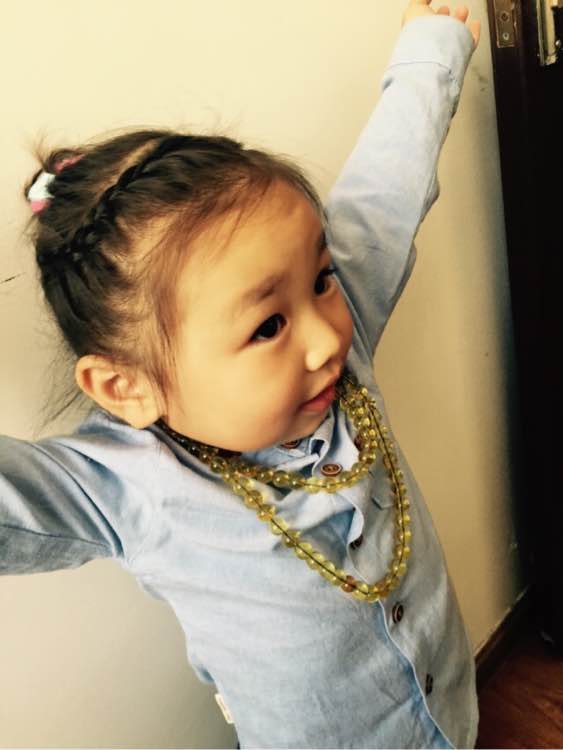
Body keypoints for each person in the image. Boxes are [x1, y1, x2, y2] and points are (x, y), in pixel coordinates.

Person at [1, 1, 481, 747]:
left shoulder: (338, 331)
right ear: (128, 387)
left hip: (454, 711)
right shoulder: (125, 485)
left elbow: (386, 187)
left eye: (320, 278)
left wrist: (430, 50)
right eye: (266, 327)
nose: (327, 338)